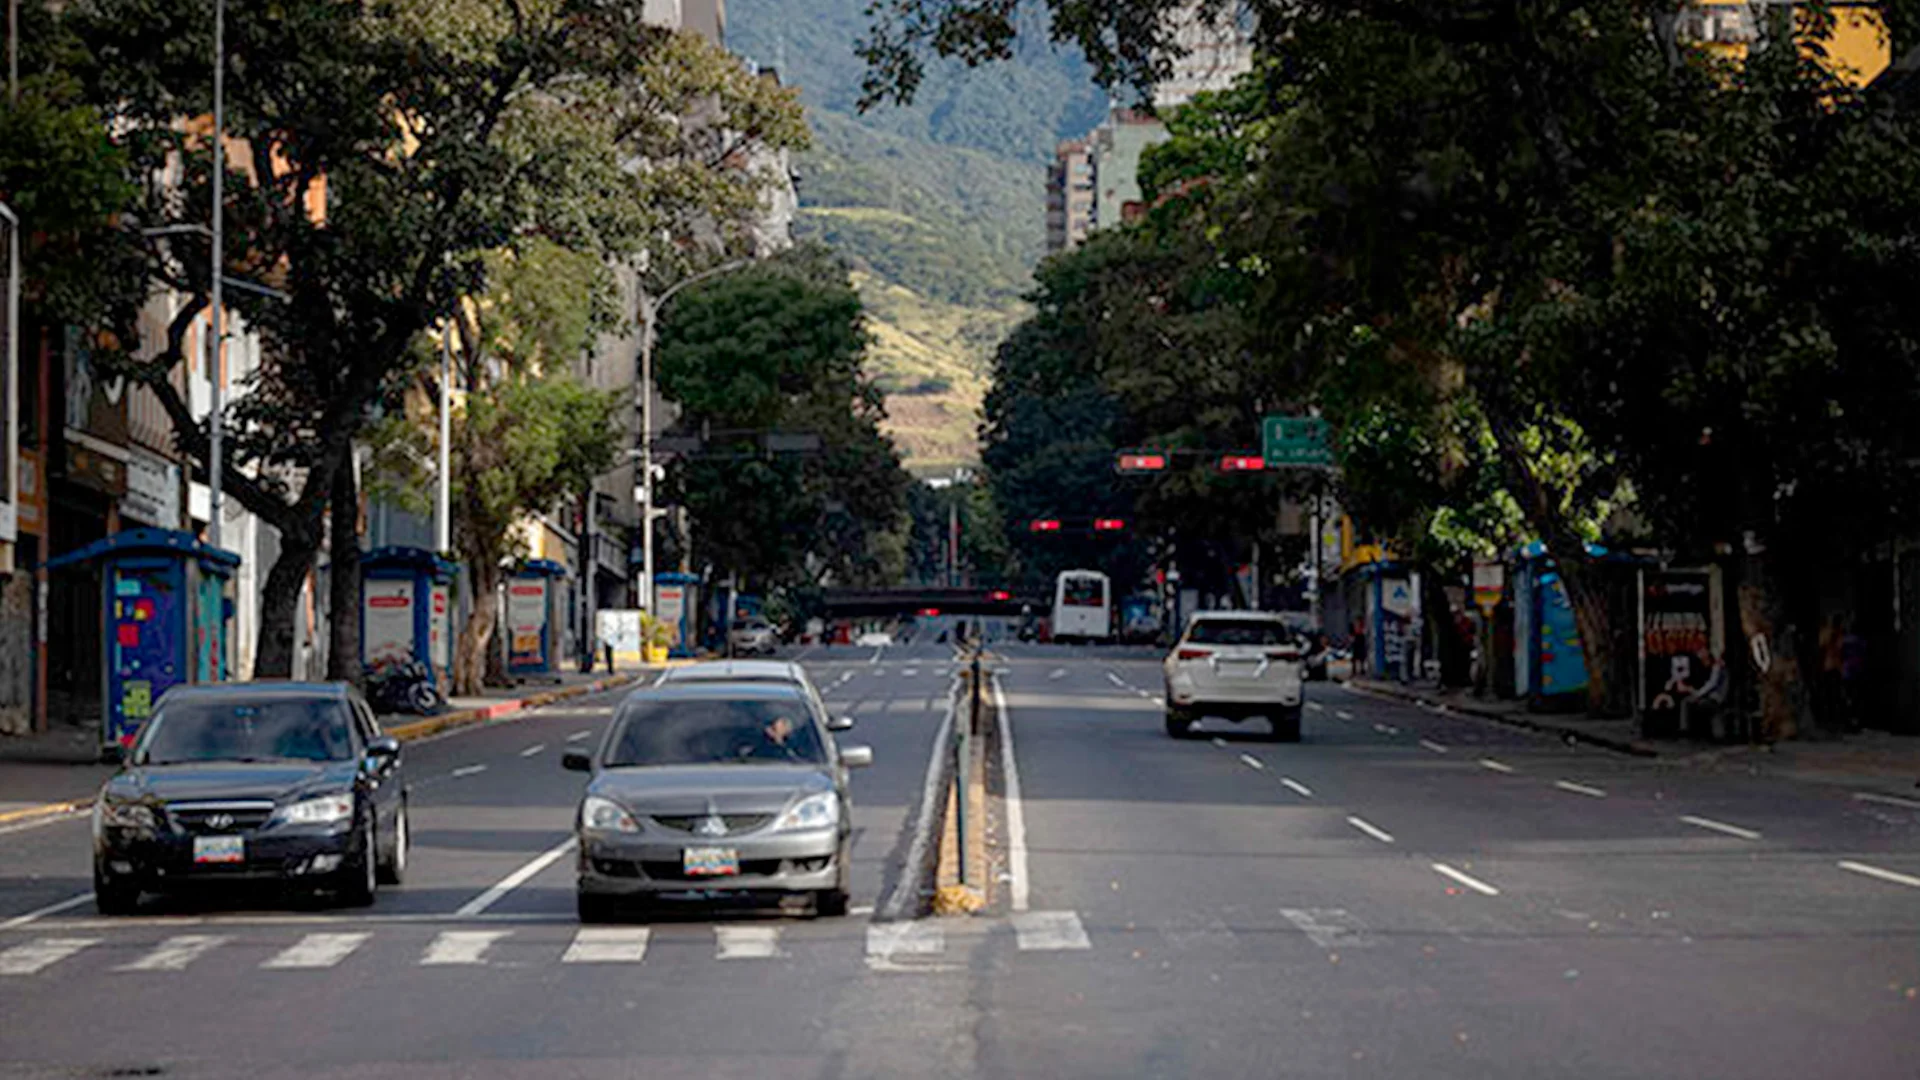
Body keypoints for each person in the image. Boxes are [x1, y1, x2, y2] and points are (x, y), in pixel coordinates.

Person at [1681, 653, 1732, 741]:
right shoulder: (1718, 669)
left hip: (1715, 699)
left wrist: (1697, 694)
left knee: (1690, 702)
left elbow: (1711, 684)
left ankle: (1685, 731)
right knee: (1687, 701)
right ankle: (1686, 730)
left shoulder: (1719, 668)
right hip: (1713, 697)